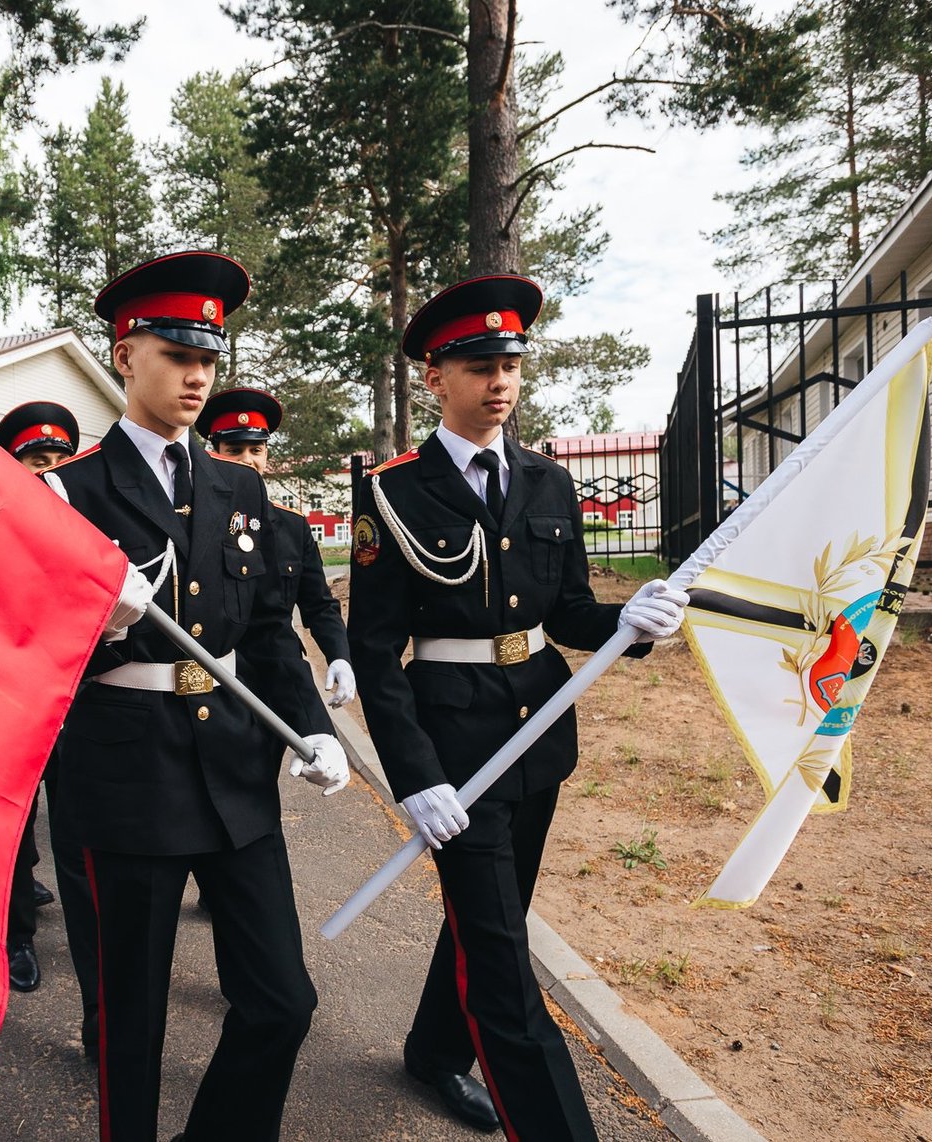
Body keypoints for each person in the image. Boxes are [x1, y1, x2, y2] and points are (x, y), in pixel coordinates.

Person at [347, 274, 688, 1140]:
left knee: (490, 917)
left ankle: (432, 1052)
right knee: (501, 960)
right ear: (436, 378)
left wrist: (632, 622)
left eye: (510, 363)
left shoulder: (546, 483)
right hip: (454, 750)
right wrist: (412, 777)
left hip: (537, 734)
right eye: (477, 363)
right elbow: (375, 655)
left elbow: (569, 613)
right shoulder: (393, 493)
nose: (499, 379)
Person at [47, 251, 350, 1142]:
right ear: (125, 353)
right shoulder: (72, 492)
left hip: (234, 772)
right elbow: (20, 651)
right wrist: (95, 621)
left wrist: (312, 727)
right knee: (130, 1022)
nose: (195, 376)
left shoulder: (238, 486)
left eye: (208, 359)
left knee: (282, 1000)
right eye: (177, 354)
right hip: (129, 770)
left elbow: (263, 634)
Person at [0, 402, 83, 992]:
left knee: (77, 821)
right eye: (35, 460)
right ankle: (16, 934)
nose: (48, 472)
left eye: (59, 460)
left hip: (79, 700)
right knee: (15, 821)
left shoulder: (90, 528)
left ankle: (91, 932)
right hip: (12, 701)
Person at [200, 387, 355, 709]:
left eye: (256, 450)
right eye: (234, 450)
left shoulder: (293, 526)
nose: (248, 460)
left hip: (279, 677)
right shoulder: (197, 522)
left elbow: (319, 604)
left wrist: (339, 655)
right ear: (213, 453)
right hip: (216, 680)